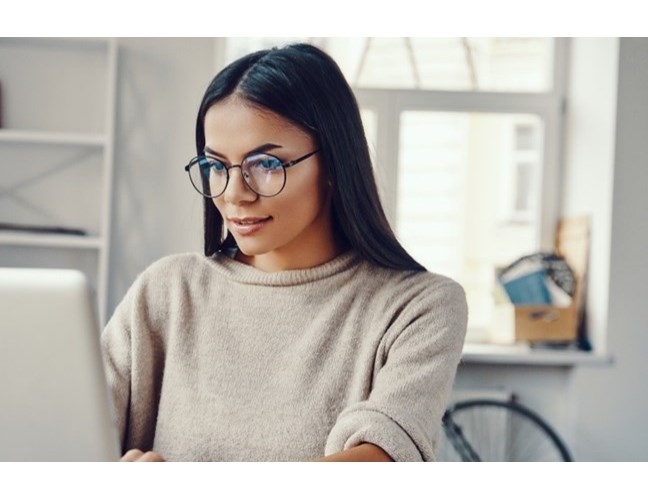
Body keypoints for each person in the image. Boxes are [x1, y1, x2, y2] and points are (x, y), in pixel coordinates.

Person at [101, 43, 468, 462]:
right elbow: (72, 428)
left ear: (333, 164)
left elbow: (381, 460)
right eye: (216, 166)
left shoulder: (419, 307)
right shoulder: (165, 291)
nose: (235, 194)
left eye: (266, 165)